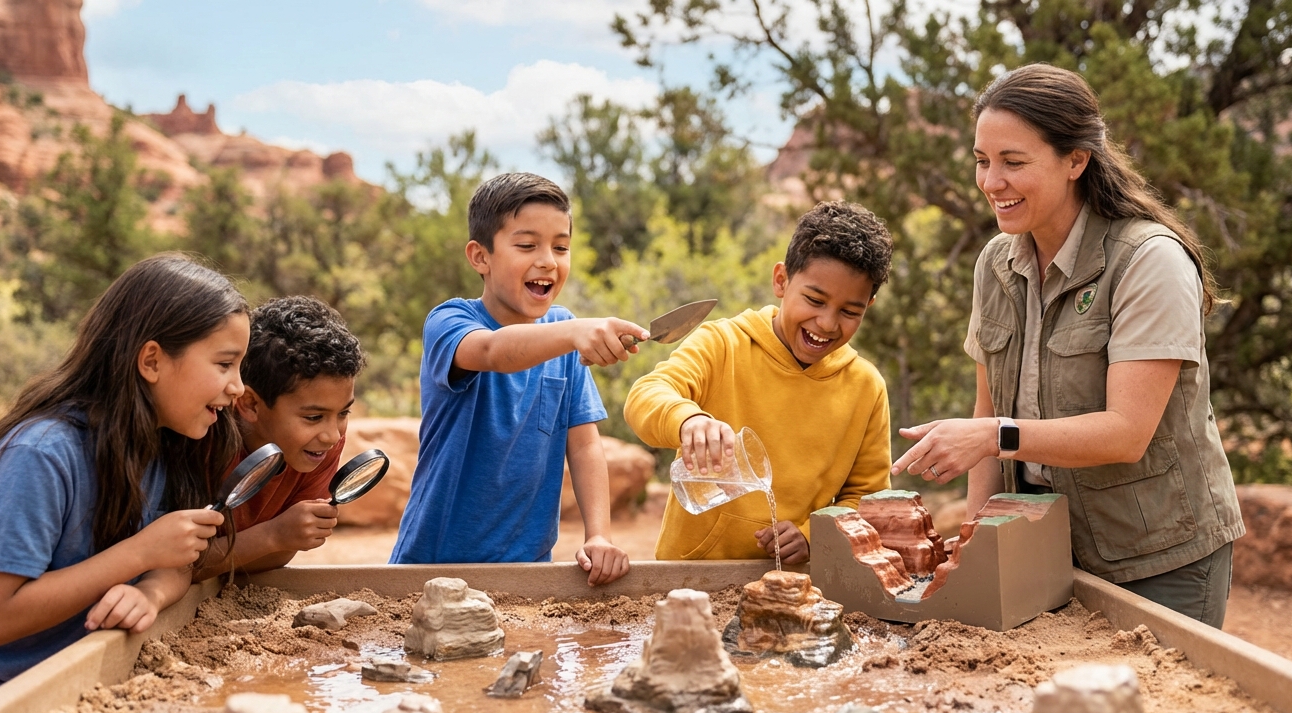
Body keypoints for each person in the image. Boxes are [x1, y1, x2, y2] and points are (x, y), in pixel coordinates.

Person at [890, 63, 1244, 627]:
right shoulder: (994, 264)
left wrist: (993, 436)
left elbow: (1126, 433)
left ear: (1076, 160)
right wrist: (974, 549)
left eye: (1013, 162)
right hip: (1042, 547)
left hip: (1158, 557)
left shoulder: (1148, 260)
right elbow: (989, 413)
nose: (990, 182)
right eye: (982, 161)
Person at [0, 255, 245, 713]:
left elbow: (178, 560)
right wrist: (139, 554)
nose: (238, 387)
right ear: (152, 360)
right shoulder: (40, 454)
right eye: (224, 364)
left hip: (44, 693)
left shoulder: (167, 444)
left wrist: (151, 592)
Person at [389, 172, 640, 585]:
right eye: (527, 245)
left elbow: (584, 444)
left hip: (527, 571)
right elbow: (493, 352)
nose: (547, 260)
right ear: (480, 257)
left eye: (561, 247)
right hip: (432, 566)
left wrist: (599, 535)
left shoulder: (563, 330)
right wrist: (574, 334)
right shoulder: (450, 321)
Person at [624, 201, 894, 563]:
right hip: (690, 575)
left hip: (791, 584)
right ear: (781, 280)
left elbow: (867, 497)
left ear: (869, 306)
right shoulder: (722, 344)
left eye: (849, 311)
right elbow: (646, 395)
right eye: (815, 300)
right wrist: (688, 419)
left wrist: (814, 536)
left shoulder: (866, 387)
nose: (828, 323)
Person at [192, 296, 366, 581]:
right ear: (249, 404)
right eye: (313, 417)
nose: (333, 435)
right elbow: (177, 565)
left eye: (343, 413)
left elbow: (279, 556)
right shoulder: (204, 439)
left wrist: (276, 541)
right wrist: (274, 535)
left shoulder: (318, 447)